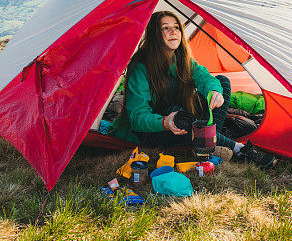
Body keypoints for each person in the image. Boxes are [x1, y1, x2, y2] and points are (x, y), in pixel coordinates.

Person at [111, 10, 276, 168]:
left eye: (176, 27)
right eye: (165, 28)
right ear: (154, 34)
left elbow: (204, 77)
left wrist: (214, 92)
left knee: (222, 82)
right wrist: (165, 122)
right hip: (155, 129)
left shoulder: (181, 59)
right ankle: (237, 148)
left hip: (179, 115)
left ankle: (209, 141)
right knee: (180, 115)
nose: (173, 32)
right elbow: (137, 117)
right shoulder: (140, 66)